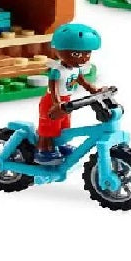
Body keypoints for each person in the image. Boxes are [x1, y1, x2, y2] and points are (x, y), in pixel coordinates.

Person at [36, 23, 103, 164]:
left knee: (64, 125)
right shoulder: (57, 71)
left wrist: (92, 89)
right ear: (58, 51)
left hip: (66, 101)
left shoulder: (76, 69)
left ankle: (60, 144)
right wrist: (57, 103)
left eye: (87, 53)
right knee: (48, 127)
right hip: (52, 101)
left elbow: (82, 81)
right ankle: (43, 150)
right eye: (76, 54)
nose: (83, 58)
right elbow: (53, 88)